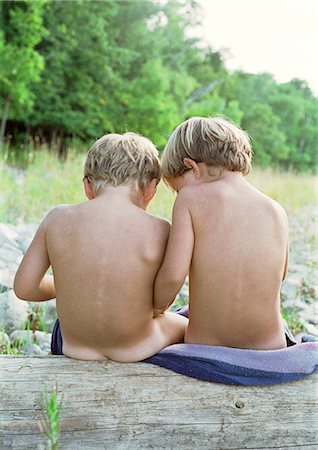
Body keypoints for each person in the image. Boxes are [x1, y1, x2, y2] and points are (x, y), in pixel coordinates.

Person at [14, 132, 188, 361]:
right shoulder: (160, 229)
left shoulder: (57, 219)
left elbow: (25, 288)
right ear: (151, 188)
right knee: (186, 325)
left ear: (88, 185)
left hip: (75, 346)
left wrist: (69, 284)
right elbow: (163, 299)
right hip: (135, 347)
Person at [153, 116, 289, 350]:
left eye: (177, 189)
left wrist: (155, 308)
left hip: (207, 348)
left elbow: (174, 276)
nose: (179, 194)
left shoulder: (190, 199)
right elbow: (281, 275)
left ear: (193, 168)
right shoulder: (276, 210)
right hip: (270, 349)